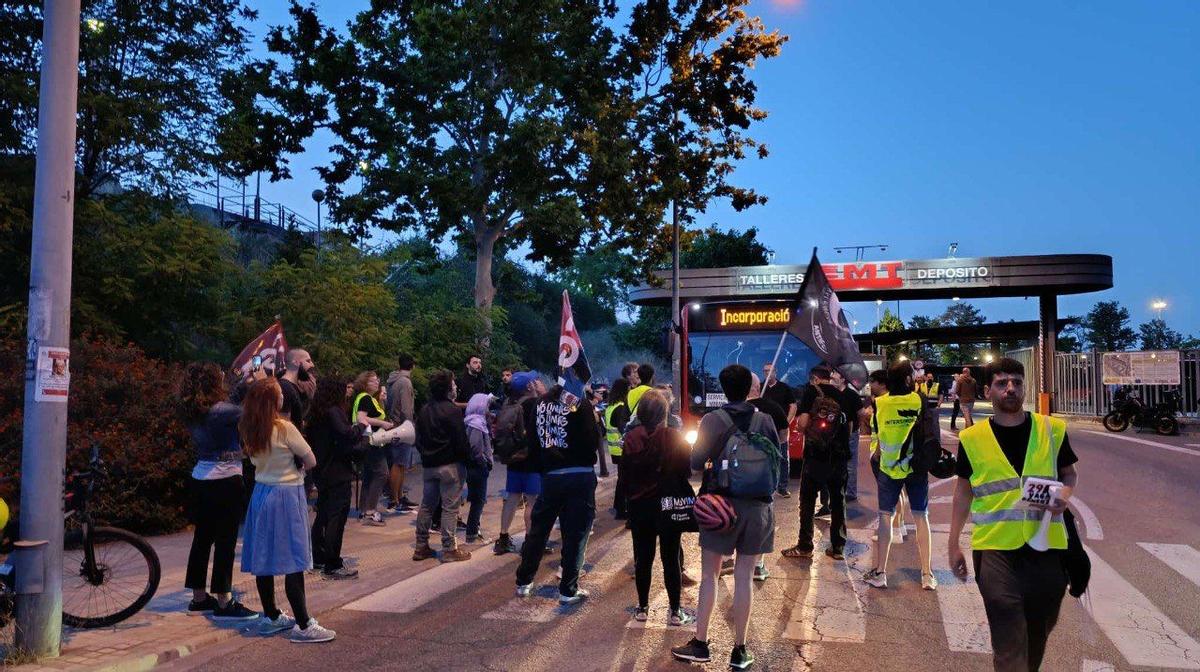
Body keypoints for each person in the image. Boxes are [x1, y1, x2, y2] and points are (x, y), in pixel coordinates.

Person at [949, 357, 1078, 672]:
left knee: (1038, 630)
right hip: (994, 548)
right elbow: (963, 491)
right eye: (1002, 383)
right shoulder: (972, 439)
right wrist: (953, 543)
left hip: (1046, 546)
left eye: (1017, 383)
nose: (1010, 389)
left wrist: (1063, 496)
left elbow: (1068, 474)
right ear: (987, 391)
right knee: (1007, 627)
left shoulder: (1052, 429)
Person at [671, 364, 778, 670]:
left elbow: (695, 462)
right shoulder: (765, 419)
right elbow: (776, 455)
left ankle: (701, 644)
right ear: (750, 389)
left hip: (720, 506)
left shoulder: (712, 420)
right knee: (744, 577)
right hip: (758, 507)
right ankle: (740, 650)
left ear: (722, 388)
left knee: (710, 576)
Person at [238, 378, 334, 643]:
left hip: (261, 494)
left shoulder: (249, 427)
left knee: (265, 559)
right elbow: (310, 459)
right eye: (279, 394)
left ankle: (271, 616)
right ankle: (303, 624)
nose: (283, 397)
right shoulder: (284, 428)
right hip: (287, 493)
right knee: (294, 558)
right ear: (273, 401)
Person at [178, 363, 257, 620]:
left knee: (202, 539)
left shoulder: (193, 410)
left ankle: (199, 598)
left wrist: (242, 384)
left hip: (201, 478)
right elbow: (249, 414)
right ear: (212, 383)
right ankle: (224, 601)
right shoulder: (223, 412)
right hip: (226, 480)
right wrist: (257, 386)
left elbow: (227, 406)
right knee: (225, 541)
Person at [514, 382, 601, 605]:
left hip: (551, 476)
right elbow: (591, 440)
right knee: (576, 533)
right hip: (579, 475)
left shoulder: (540, 403)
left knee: (539, 530)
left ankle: (524, 581)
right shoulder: (578, 404)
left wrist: (542, 467)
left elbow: (532, 439)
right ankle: (568, 588)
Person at [621, 390, 695, 627]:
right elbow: (686, 471)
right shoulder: (675, 436)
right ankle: (675, 611)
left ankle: (642, 608)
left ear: (641, 413)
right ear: (665, 413)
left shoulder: (631, 438)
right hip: (668, 505)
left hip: (639, 506)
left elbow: (624, 476)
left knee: (643, 558)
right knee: (671, 557)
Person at [862, 361, 937, 591]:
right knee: (921, 517)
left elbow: (875, 430)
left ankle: (881, 573)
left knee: (885, 517)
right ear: (907, 379)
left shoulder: (880, 404)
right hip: (916, 467)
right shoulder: (918, 400)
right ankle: (927, 574)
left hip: (889, 467)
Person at [781, 366, 855, 561]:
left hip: (815, 456)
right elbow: (849, 426)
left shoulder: (811, 392)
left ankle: (805, 546)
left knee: (807, 501)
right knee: (838, 501)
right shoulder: (843, 395)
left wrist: (804, 428)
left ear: (815, 379)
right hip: (838, 456)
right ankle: (838, 547)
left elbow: (803, 423)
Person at [306, 377, 366, 580]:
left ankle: (318, 557)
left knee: (323, 514)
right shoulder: (334, 412)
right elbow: (346, 434)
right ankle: (333, 563)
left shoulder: (316, 413)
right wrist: (360, 427)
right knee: (336, 518)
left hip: (321, 470)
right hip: (337, 471)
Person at [413, 370, 472, 562]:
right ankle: (449, 549)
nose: (456, 387)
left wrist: (426, 454)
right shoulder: (452, 410)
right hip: (449, 466)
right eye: (453, 384)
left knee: (427, 505)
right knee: (450, 507)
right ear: (448, 389)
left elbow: (418, 439)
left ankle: (421, 546)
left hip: (429, 465)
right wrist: (467, 459)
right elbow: (461, 441)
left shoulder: (424, 410)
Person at [494, 372, 544, 555]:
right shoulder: (533, 404)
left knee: (512, 498)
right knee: (532, 501)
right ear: (529, 386)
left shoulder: (509, 403)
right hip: (530, 458)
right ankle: (530, 543)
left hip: (513, 458)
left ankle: (503, 538)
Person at [746, 373, 787, 582]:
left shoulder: (726, 412)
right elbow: (783, 437)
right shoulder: (773, 410)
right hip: (764, 474)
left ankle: (726, 557)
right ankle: (758, 564)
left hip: (735, 475)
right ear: (757, 386)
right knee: (764, 516)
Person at [866, 369, 909, 544]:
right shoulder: (893, 400)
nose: (870, 385)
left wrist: (877, 452)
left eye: (873, 381)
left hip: (883, 453)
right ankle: (901, 526)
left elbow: (883, 429)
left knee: (891, 493)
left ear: (882, 383)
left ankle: (896, 530)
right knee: (899, 491)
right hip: (895, 452)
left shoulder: (882, 403)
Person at [352, 371, 394, 526]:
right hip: (371, 442)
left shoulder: (362, 398)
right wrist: (383, 424)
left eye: (377, 380)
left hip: (367, 442)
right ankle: (370, 511)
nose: (377, 383)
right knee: (382, 474)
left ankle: (364, 511)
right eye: (373, 381)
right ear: (364, 383)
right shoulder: (365, 398)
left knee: (369, 476)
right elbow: (361, 419)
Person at [385, 353, 418, 514]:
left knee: (401, 463)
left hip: (394, 423)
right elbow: (406, 408)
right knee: (398, 464)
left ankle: (399, 496)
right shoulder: (405, 382)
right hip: (401, 426)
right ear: (413, 365)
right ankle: (394, 499)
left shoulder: (393, 380)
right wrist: (409, 425)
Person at [761, 362, 796, 498]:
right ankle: (766, 486)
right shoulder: (761, 389)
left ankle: (782, 487)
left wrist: (787, 422)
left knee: (782, 458)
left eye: (770, 371)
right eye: (765, 371)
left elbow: (793, 406)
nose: (767, 373)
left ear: (775, 372)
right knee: (764, 458)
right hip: (764, 429)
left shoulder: (784, 388)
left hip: (780, 430)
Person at [830, 370, 865, 502]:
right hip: (834, 433)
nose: (832, 377)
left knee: (850, 464)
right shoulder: (831, 394)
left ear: (843, 379)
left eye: (835, 375)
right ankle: (837, 490)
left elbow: (861, 413)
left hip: (850, 434)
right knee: (834, 463)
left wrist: (856, 427)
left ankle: (850, 492)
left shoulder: (851, 395)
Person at [463, 392, 494, 543]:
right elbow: (476, 447)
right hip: (477, 467)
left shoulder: (471, 421)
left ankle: (473, 532)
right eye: (487, 404)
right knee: (478, 501)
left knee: (477, 500)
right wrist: (485, 462)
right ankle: (472, 534)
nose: (488, 408)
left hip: (473, 467)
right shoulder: (476, 423)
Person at [605, 378, 632, 520]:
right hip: (622, 450)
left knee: (622, 479)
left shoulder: (610, 407)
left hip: (614, 451)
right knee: (625, 481)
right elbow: (624, 431)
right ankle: (622, 510)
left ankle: (618, 506)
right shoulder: (621, 408)